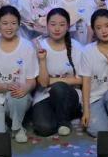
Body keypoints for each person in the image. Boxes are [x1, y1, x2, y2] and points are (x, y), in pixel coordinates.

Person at [0, 6, 37, 143]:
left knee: (17, 94)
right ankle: (1, 122)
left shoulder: (27, 47)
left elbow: (32, 80)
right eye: (5, 23)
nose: (9, 27)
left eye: (13, 23)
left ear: (19, 24)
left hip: (18, 96)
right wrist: (6, 86)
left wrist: (25, 88)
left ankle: (17, 127)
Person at [31, 8, 83, 137]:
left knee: (59, 88)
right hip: (44, 95)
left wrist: (54, 81)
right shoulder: (39, 46)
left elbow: (81, 79)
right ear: (47, 25)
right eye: (53, 24)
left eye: (62, 24)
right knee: (44, 128)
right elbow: (43, 83)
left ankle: (63, 122)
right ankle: (62, 116)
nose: (57, 29)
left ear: (68, 26)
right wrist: (42, 60)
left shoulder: (77, 47)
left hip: (70, 95)